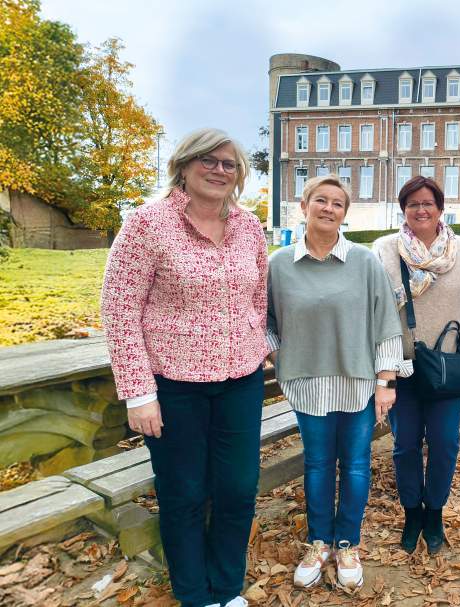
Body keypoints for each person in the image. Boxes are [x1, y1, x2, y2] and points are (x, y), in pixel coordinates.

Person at [101, 128, 266, 607]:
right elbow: (119, 308)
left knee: (237, 489)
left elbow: (259, 294)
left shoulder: (249, 226)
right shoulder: (147, 224)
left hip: (241, 380)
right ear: (185, 165)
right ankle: (195, 595)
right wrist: (139, 391)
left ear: (238, 176)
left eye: (229, 164)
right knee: (184, 493)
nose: (219, 170)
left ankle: (227, 588)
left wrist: (258, 341)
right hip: (174, 387)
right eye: (208, 161)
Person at [266, 176, 405, 589]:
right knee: (318, 464)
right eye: (320, 200)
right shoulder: (279, 264)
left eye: (338, 203)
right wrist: (280, 356)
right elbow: (265, 322)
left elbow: (386, 323)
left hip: (358, 381)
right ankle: (319, 540)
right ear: (304, 205)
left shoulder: (363, 262)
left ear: (346, 213)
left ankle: (348, 542)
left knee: (357, 464)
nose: (328, 208)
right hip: (307, 384)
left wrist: (386, 380)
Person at [373, 176, 460, 555]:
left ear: (440, 208)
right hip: (401, 364)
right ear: (404, 209)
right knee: (404, 445)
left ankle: (434, 511)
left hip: (447, 364)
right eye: (413, 203)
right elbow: (376, 306)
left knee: (445, 443)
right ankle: (411, 513)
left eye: (428, 203)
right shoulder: (385, 249)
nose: (421, 209)